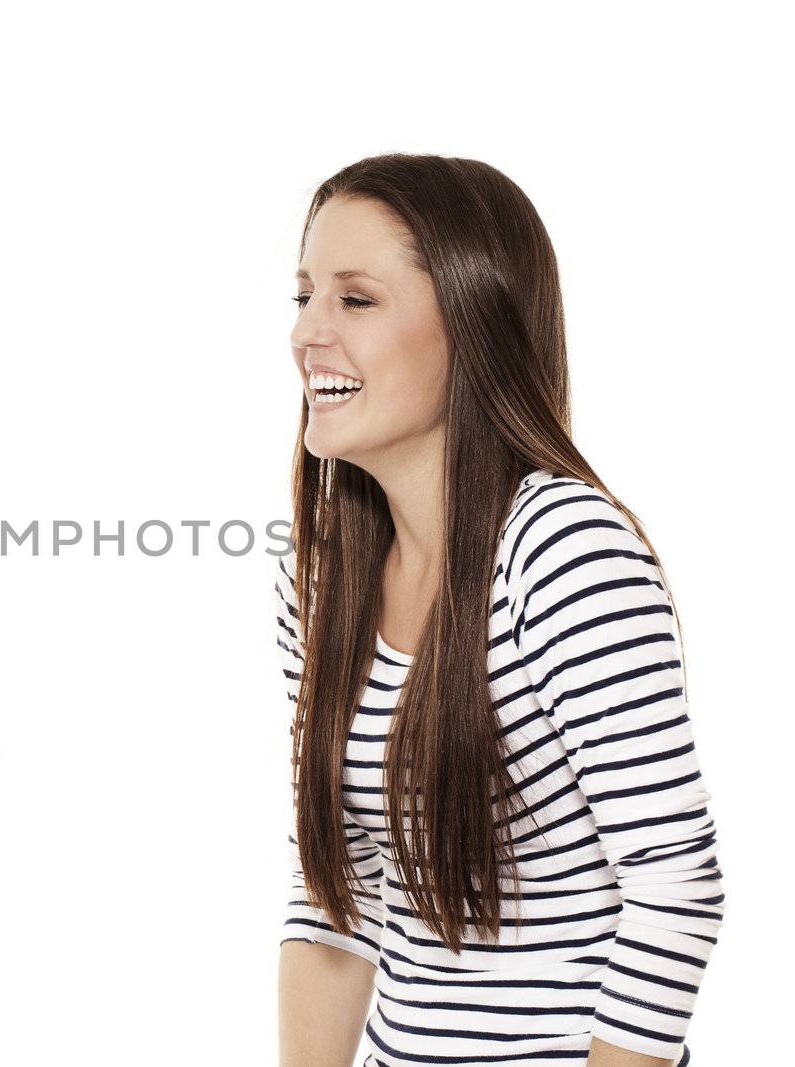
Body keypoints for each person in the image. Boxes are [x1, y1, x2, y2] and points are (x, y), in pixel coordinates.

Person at [274, 154, 724, 1067]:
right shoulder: (322, 572)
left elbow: (674, 886)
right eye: (304, 294)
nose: (308, 334)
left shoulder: (562, 547)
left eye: (356, 300)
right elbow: (338, 888)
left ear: (473, 325)